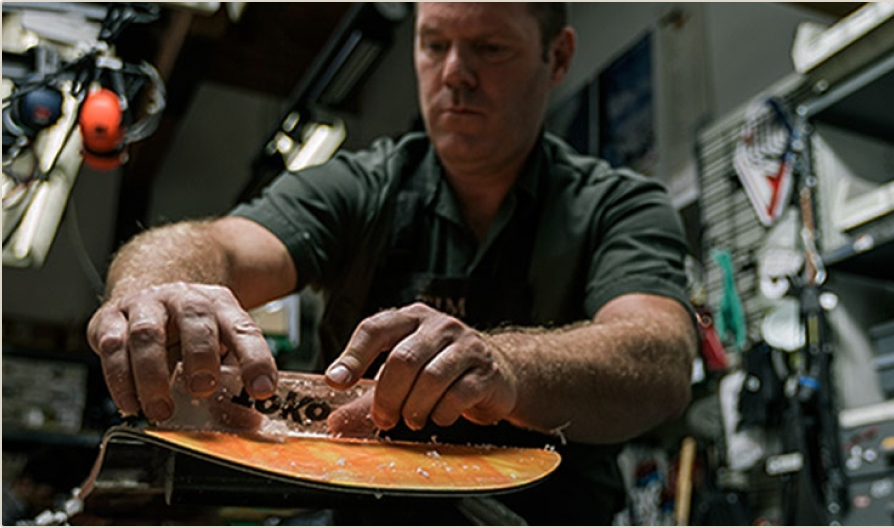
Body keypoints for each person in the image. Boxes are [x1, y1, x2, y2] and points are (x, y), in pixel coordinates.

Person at [87, 3, 697, 525]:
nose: (455, 74)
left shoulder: (619, 205)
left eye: (489, 48)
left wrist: (506, 366)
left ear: (557, 58)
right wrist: (158, 291)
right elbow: (221, 244)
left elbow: (659, 352)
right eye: (434, 45)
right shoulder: (364, 186)